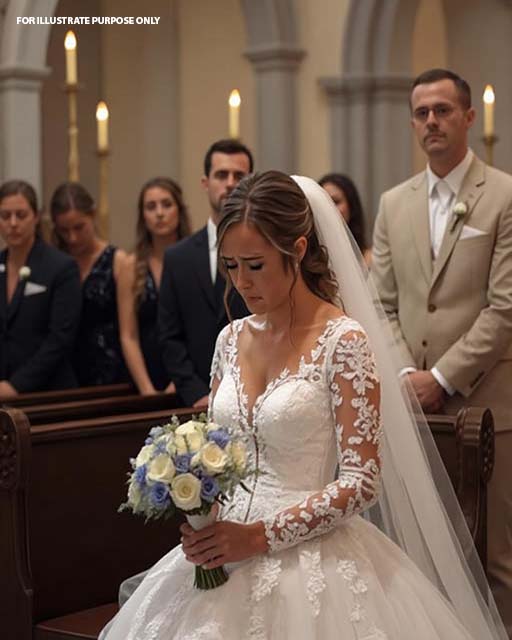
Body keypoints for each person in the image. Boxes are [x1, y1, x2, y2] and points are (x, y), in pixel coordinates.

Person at [100, 171, 506, 639]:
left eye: (256, 265)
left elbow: (361, 482)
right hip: (224, 548)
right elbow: (220, 451)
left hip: (311, 556)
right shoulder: (229, 339)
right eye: (231, 266)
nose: (242, 282)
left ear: (296, 249)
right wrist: (200, 511)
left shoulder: (344, 341)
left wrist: (259, 536)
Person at [371, 68, 512, 636]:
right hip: (413, 412)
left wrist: (443, 378)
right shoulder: (393, 203)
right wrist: (408, 373)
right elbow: (380, 304)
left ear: (469, 117)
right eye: (422, 113)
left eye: (443, 110)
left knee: (495, 559)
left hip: (488, 406)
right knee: (419, 556)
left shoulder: (503, 194)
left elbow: (505, 307)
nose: (431, 121)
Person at [158, 139, 251, 408]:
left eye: (239, 176)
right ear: (205, 182)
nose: (230, 183)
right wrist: (196, 393)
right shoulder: (178, 257)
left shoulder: (265, 254)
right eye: (221, 175)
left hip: (252, 391)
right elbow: (169, 336)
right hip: (193, 398)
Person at [0, 179, 81, 397]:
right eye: (5, 216)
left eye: (21, 215)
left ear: (36, 217)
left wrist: (16, 385)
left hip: (48, 392)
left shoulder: (61, 267)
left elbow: (60, 339)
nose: (13, 223)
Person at [50, 182, 129, 386]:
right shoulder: (53, 263)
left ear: (92, 215)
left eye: (79, 227)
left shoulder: (118, 261)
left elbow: (128, 332)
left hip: (109, 371)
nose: (72, 238)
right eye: (64, 230)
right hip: (63, 371)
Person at [118, 177, 192, 394]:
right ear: (143, 216)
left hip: (190, 374)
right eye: (151, 207)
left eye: (167, 204)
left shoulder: (194, 260)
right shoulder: (130, 265)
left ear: (179, 210)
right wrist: (147, 389)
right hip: (145, 376)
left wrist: (181, 379)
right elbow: (128, 335)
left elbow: (200, 329)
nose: (159, 213)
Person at [318, 172, 371, 265]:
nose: (329, 208)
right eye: (324, 201)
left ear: (351, 206)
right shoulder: (308, 259)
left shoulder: (370, 259)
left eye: (335, 201)